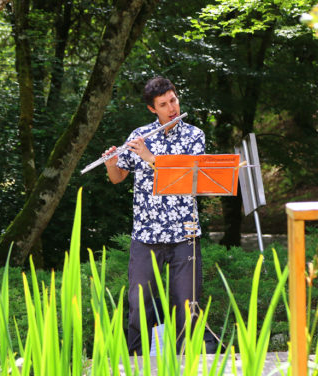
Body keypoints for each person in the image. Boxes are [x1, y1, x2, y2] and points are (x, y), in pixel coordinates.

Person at [102, 77, 205, 356]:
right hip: (146, 235)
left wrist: (150, 157)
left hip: (185, 233)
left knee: (187, 305)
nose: (172, 107)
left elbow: (191, 178)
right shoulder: (140, 135)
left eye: (173, 100)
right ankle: (136, 362)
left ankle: (187, 364)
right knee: (138, 305)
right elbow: (118, 177)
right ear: (152, 109)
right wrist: (112, 163)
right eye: (163, 104)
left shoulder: (194, 136)